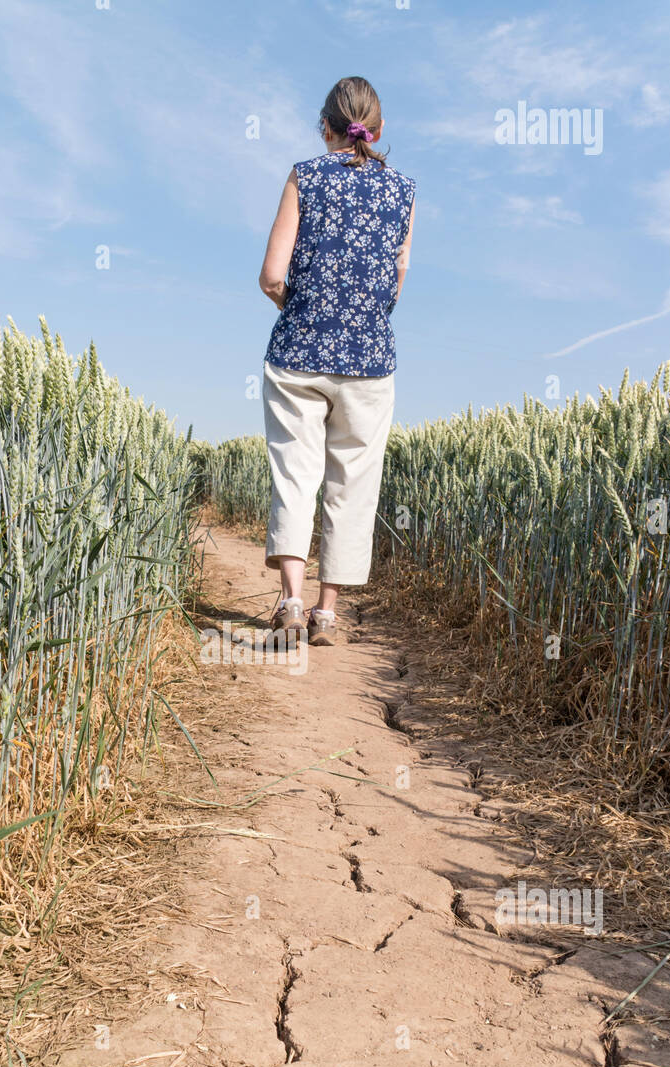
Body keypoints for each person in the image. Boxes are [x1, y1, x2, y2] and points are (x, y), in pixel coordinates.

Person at [259, 75, 416, 646]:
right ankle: (328, 613)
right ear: (377, 131)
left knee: (295, 477)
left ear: (325, 127)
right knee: (353, 485)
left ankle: (292, 602)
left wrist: (301, 303)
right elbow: (394, 286)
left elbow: (272, 275)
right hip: (370, 361)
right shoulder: (404, 191)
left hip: (299, 352)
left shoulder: (305, 176)